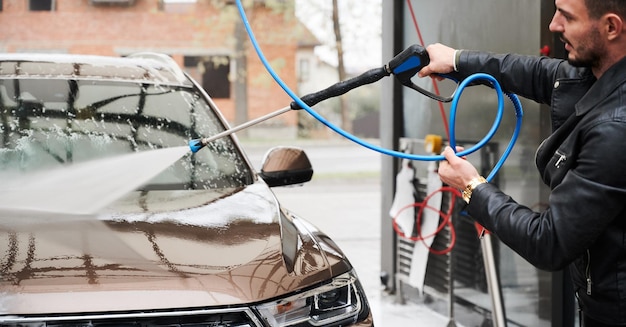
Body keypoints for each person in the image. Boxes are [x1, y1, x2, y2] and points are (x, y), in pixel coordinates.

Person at [417, 0, 626, 326]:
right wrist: (456, 60)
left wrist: (472, 187)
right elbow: (538, 72)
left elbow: (550, 241)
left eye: (567, 17)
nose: (554, 25)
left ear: (612, 27)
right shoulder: (600, 74)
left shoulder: (616, 129)